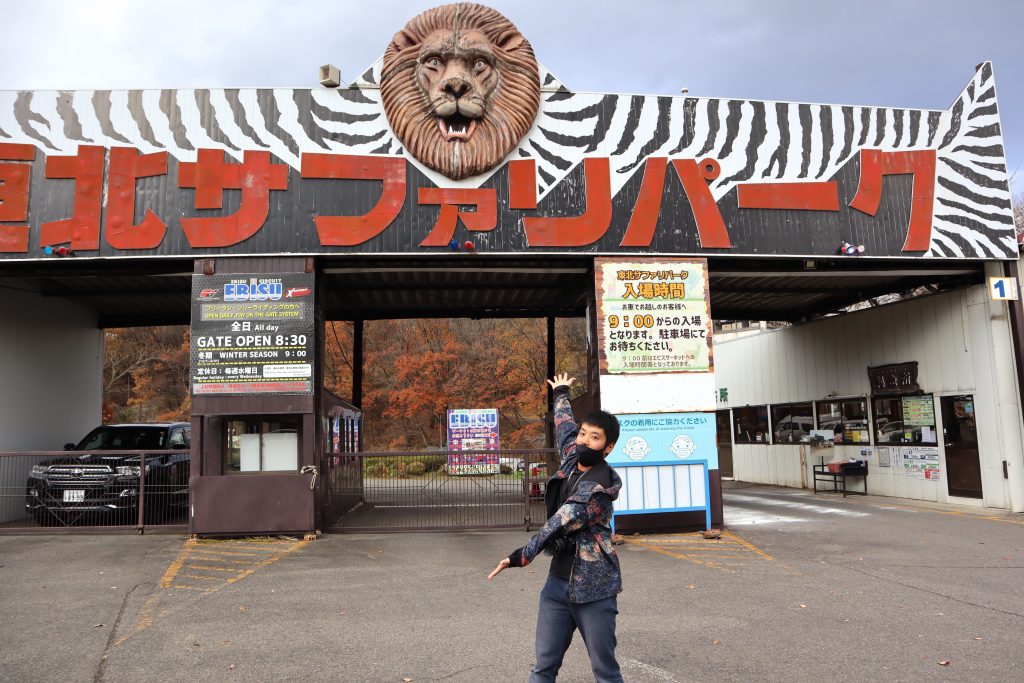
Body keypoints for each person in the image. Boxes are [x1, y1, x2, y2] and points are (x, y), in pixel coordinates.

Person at [488, 373, 623, 683]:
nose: (585, 441)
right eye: (584, 434)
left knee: (605, 672)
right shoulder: (571, 457)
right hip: (557, 586)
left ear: (608, 447)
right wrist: (561, 393)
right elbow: (564, 428)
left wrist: (523, 554)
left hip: (595, 590)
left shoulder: (602, 486)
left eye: (595, 437)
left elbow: (563, 518)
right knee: (543, 668)